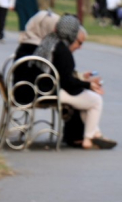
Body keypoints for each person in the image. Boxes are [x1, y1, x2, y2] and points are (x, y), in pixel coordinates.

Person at [36, 14, 115, 150]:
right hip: (53, 91)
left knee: (88, 100)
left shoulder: (49, 41)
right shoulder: (63, 50)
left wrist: (84, 84)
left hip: (41, 87)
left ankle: (95, 134)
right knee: (96, 100)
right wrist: (88, 85)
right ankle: (88, 138)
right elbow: (68, 83)